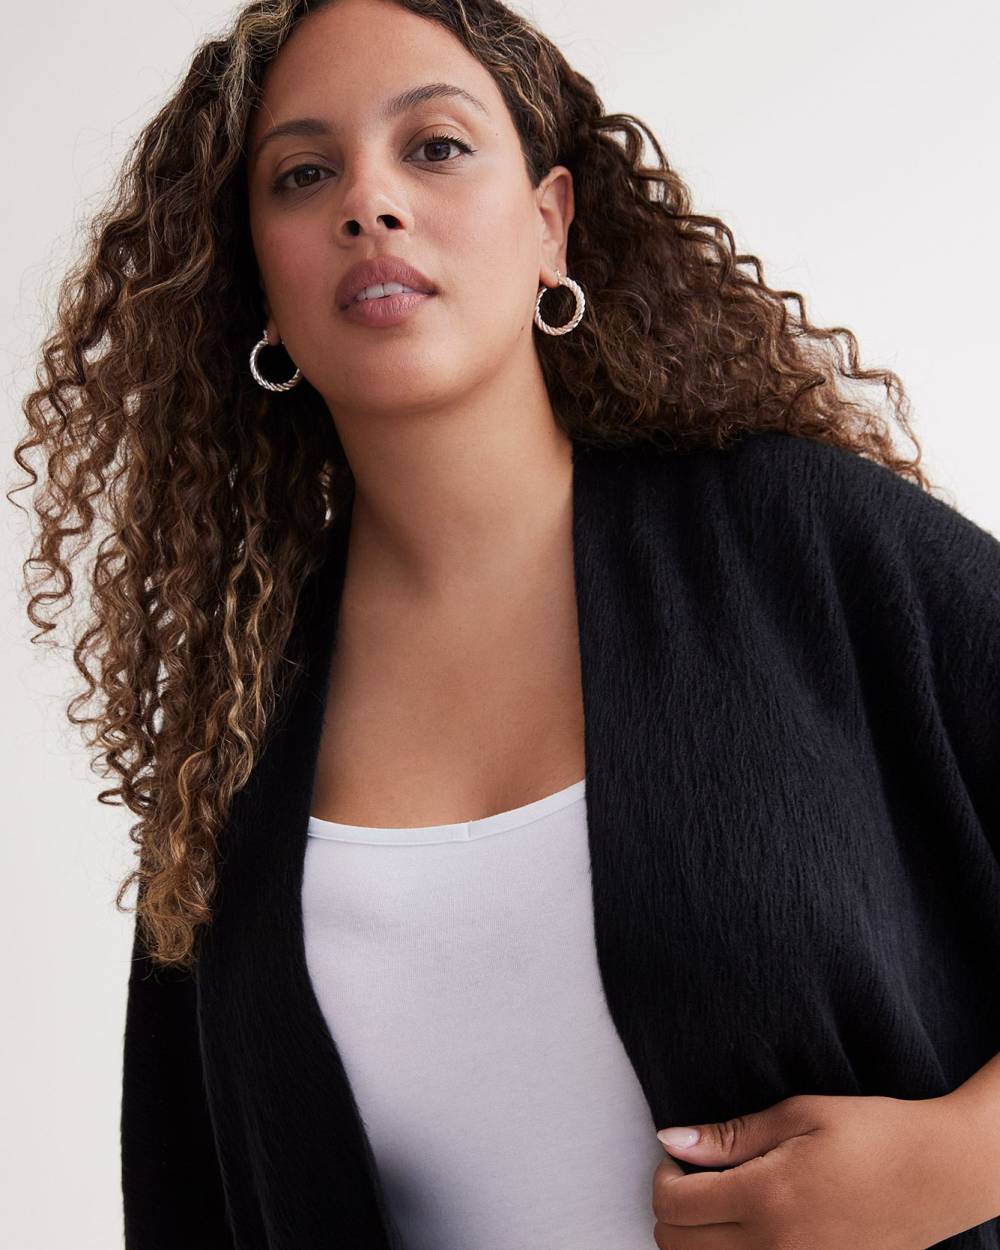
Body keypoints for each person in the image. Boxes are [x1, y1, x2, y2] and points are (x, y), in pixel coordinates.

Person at [13, 1, 1000, 1248]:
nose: (369, 203)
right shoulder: (237, 727)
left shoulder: (793, 541)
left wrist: (958, 1159)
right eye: (303, 174)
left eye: (434, 147)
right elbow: (185, 1191)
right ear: (257, 281)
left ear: (549, 224)